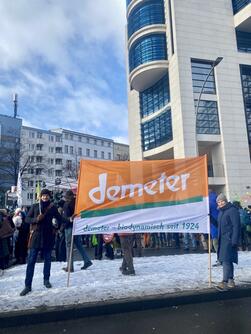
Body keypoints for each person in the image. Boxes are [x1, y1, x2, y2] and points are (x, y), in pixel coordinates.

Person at [20, 189, 62, 296]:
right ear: (40, 196)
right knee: (31, 261)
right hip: (36, 237)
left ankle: (46, 280)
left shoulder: (52, 208)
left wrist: (65, 222)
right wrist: (35, 219)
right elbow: (27, 219)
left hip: (48, 237)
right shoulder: (34, 206)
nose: (45, 197)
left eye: (47, 195)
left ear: (49, 196)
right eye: (43, 195)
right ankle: (27, 285)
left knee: (47, 260)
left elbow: (60, 218)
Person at [62, 190, 92, 272]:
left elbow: (66, 217)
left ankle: (70, 266)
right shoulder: (77, 203)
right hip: (76, 227)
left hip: (69, 227)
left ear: (68, 197)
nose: (65, 198)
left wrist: (62, 227)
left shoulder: (67, 204)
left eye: (65, 197)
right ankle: (87, 260)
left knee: (69, 247)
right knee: (78, 245)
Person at [216, 193, 241, 290]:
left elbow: (236, 226)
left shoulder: (232, 210)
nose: (220, 203)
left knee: (226, 260)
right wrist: (210, 219)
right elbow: (219, 225)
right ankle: (231, 280)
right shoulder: (221, 212)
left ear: (225, 201)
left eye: (222, 201)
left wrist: (234, 240)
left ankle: (224, 281)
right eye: (218, 202)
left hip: (229, 240)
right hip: (223, 240)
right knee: (228, 260)